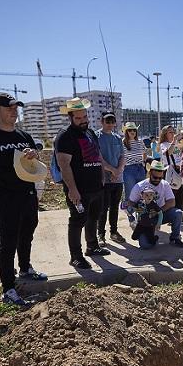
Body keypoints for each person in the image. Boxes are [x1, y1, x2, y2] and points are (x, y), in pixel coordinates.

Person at [0, 93, 47, 306]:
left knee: (28, 232)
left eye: (16, 108)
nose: (14, 111)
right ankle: (8, 288)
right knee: (8, 241)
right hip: (5, 197)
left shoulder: (24, 135)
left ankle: (25, 268)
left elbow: (35, 160)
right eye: (9, 108)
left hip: (28, 193)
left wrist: (33, 154)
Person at [54, 98, 110, 269]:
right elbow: (64, 164)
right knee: (77, 221)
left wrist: (102, 176)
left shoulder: (90, 133)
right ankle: (76, 257)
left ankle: (92, 246)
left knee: (94, 217)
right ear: (70, 117)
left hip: (96, 186)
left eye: (84, 117)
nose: (83, 120)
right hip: (79, 189)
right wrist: (72, 189)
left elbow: (97, 156)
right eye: (78, 118)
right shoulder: (65, 136)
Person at [127, 160, 183, 248]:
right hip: (145, 218)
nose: (157, 180)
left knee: (178, 213)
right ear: (150, 173)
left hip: (161, 213)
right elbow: (130, 202)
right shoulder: (139, 186)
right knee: (145, 246)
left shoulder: (165, 184)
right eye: (155, 177)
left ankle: (175, 238)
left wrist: (158, 211)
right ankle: (149, 236)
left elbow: (172, 202)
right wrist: (137, 208)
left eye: (160, 178)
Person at [96, 111, 126, 246]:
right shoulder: (96, 136)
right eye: (107, 121)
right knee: (103, 208)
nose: (110, 124)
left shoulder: (117, 138)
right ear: (101, 121)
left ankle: (114, 232)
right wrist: (112, 170)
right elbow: (98, 157)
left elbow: (122, 156)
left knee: (114, 208)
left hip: (117, 179)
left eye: (112, 121)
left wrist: (118, 171)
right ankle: (100, 234)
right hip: (103, 179)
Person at [121, 122, 147, 204]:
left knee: (141, 193)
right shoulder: (123, 142)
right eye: (130, 130)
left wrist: (143, 162)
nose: (132, 132)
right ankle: (130, 214)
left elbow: (145, 152)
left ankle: (140, 214)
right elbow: (121, 157)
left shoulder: (140, 141)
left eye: (134, 130)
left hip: (140, 168)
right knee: (130, 193)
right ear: (126, 132)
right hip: (128, 170)